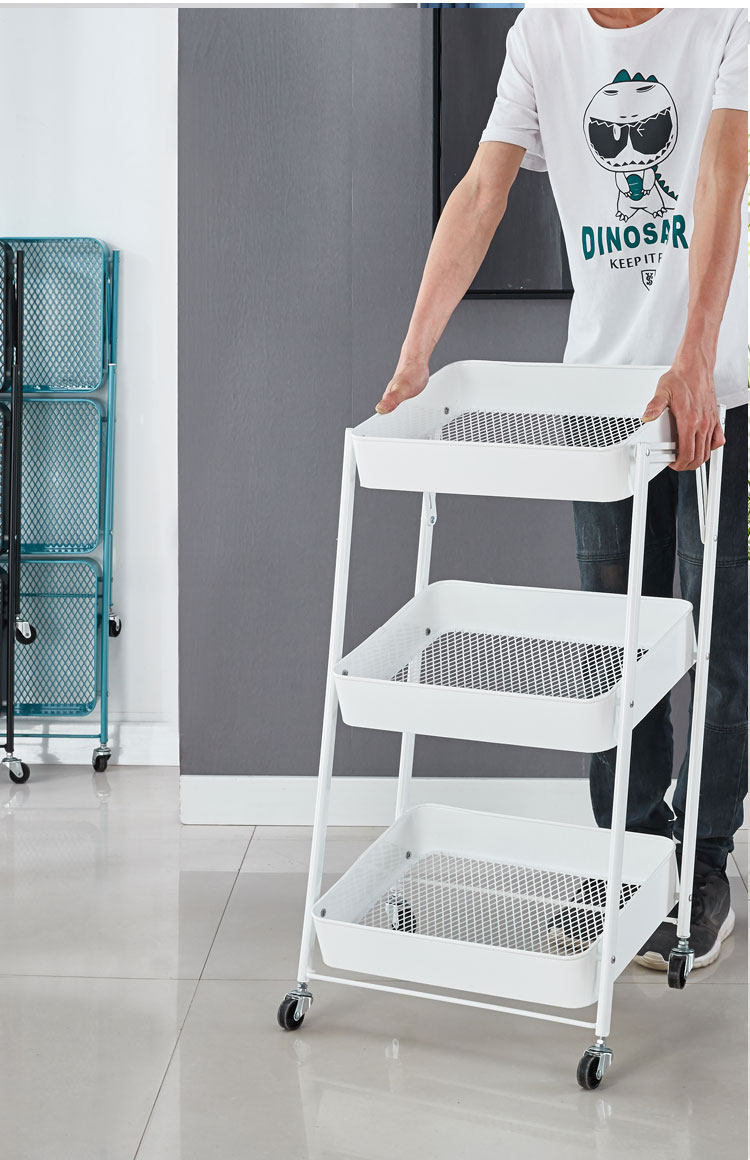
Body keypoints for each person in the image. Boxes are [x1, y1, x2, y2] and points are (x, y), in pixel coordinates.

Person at [376, 7, 747, 971]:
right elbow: (482, 190)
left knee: (722, 637)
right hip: (604, 396)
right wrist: (415, 354)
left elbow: (724, 168)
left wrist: (696, 360)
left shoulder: (727, 14)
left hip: (722, 383)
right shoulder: (541, 30)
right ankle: (626, 854)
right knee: (612, 644)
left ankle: (703, 861)